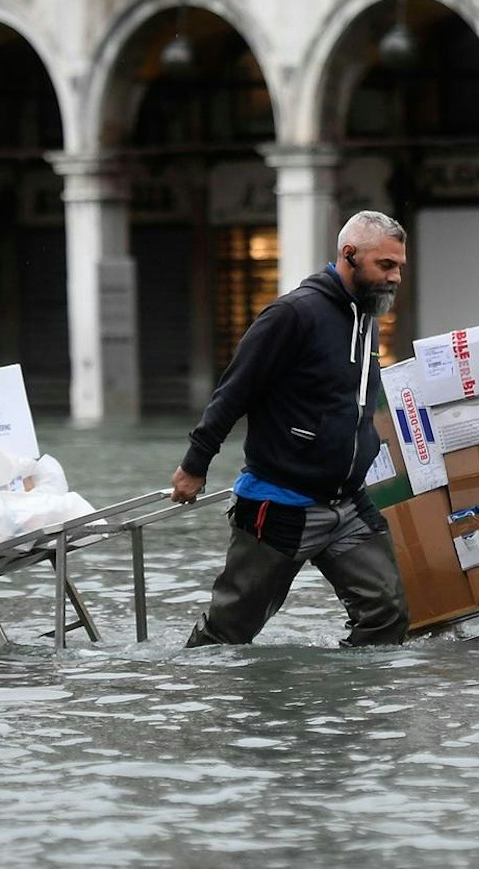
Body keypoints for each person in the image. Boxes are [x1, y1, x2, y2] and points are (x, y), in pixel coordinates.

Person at [170, 210, 411, 647]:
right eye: (386, 265)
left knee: (387, 612)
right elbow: (232, 392)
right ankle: (198, 698)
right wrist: (194, 465)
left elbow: (357, 404)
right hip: (279, 503)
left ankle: (349, 710)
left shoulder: (368, 320)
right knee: (227, 636)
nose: (395, 277)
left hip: (347, 505)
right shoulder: (293, 314)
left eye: (399, 267)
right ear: (349, 254)